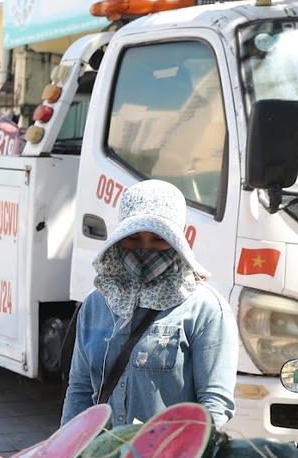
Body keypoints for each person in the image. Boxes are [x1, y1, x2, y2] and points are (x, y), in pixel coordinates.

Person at [62, 179, 238, 428]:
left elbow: (215, 404)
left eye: (158, 239)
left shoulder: (206, 310)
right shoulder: (96, 303)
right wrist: (65, 448)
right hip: (101, 452)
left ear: (177, 241)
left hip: (169, 452)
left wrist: (185, 449)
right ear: (119, 239)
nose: (145, 249)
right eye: (133, 238)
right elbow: (80, 389)